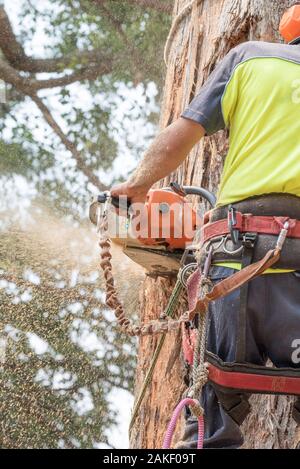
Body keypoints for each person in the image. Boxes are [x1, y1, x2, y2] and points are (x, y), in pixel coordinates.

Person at [111, 5, 300, 448]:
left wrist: (136, 187)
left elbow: (184, 131)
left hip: (238, 257)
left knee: (209, 408)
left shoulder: (251, 58)